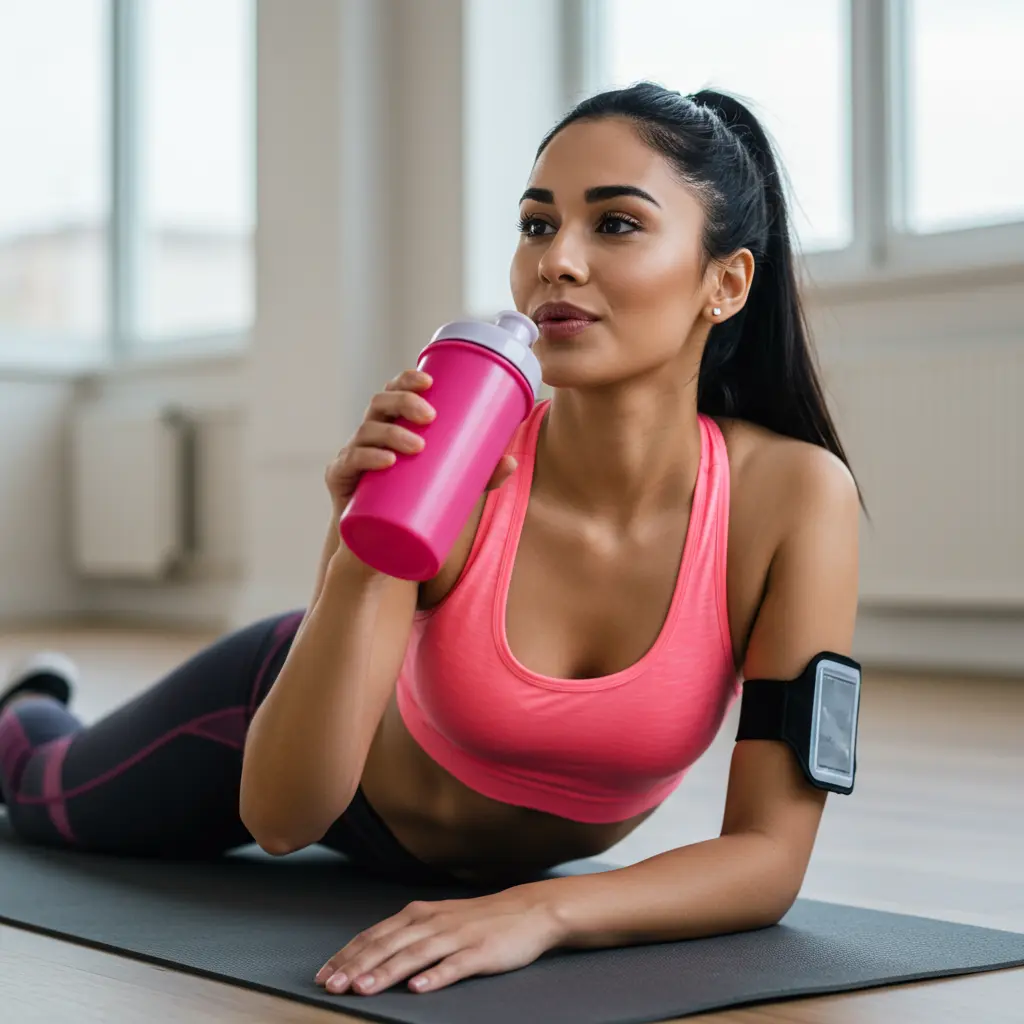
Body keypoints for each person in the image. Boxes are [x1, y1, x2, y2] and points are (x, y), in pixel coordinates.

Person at [0, 83, 861, 998]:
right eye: (536, 225)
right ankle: (28, 702)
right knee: (41, 792)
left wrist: (541, 911)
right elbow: (284, 820)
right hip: (292, 724)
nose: (557, 261)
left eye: (615, 225)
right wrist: (366, 548)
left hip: (494, 869)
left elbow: (769, 856)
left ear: (726, 283)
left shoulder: (795, 499)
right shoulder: (460, 458)